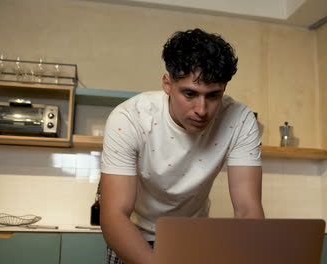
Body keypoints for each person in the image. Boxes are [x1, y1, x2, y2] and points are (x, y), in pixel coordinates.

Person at [100, 28, 264, 264]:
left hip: (192, 237)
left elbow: (248, 209)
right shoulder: (128, 119)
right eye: (190, 93)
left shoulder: (240, 119)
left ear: (224, 88)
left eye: (213, 96)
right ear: (167, 83)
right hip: (132, 235)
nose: (201, 109)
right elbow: (114, 216)